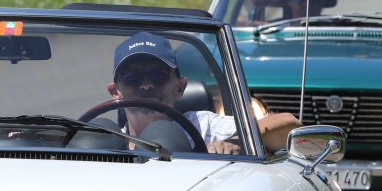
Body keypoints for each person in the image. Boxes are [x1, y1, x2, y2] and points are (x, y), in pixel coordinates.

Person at [108, 32, 300, 155]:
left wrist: (234, 142)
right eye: (132, 78)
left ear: (180, 87)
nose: (146, 85)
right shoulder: (105, 143)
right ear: (115, 92)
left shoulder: (203, 127)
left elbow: (288, 124)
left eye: (159, 76)